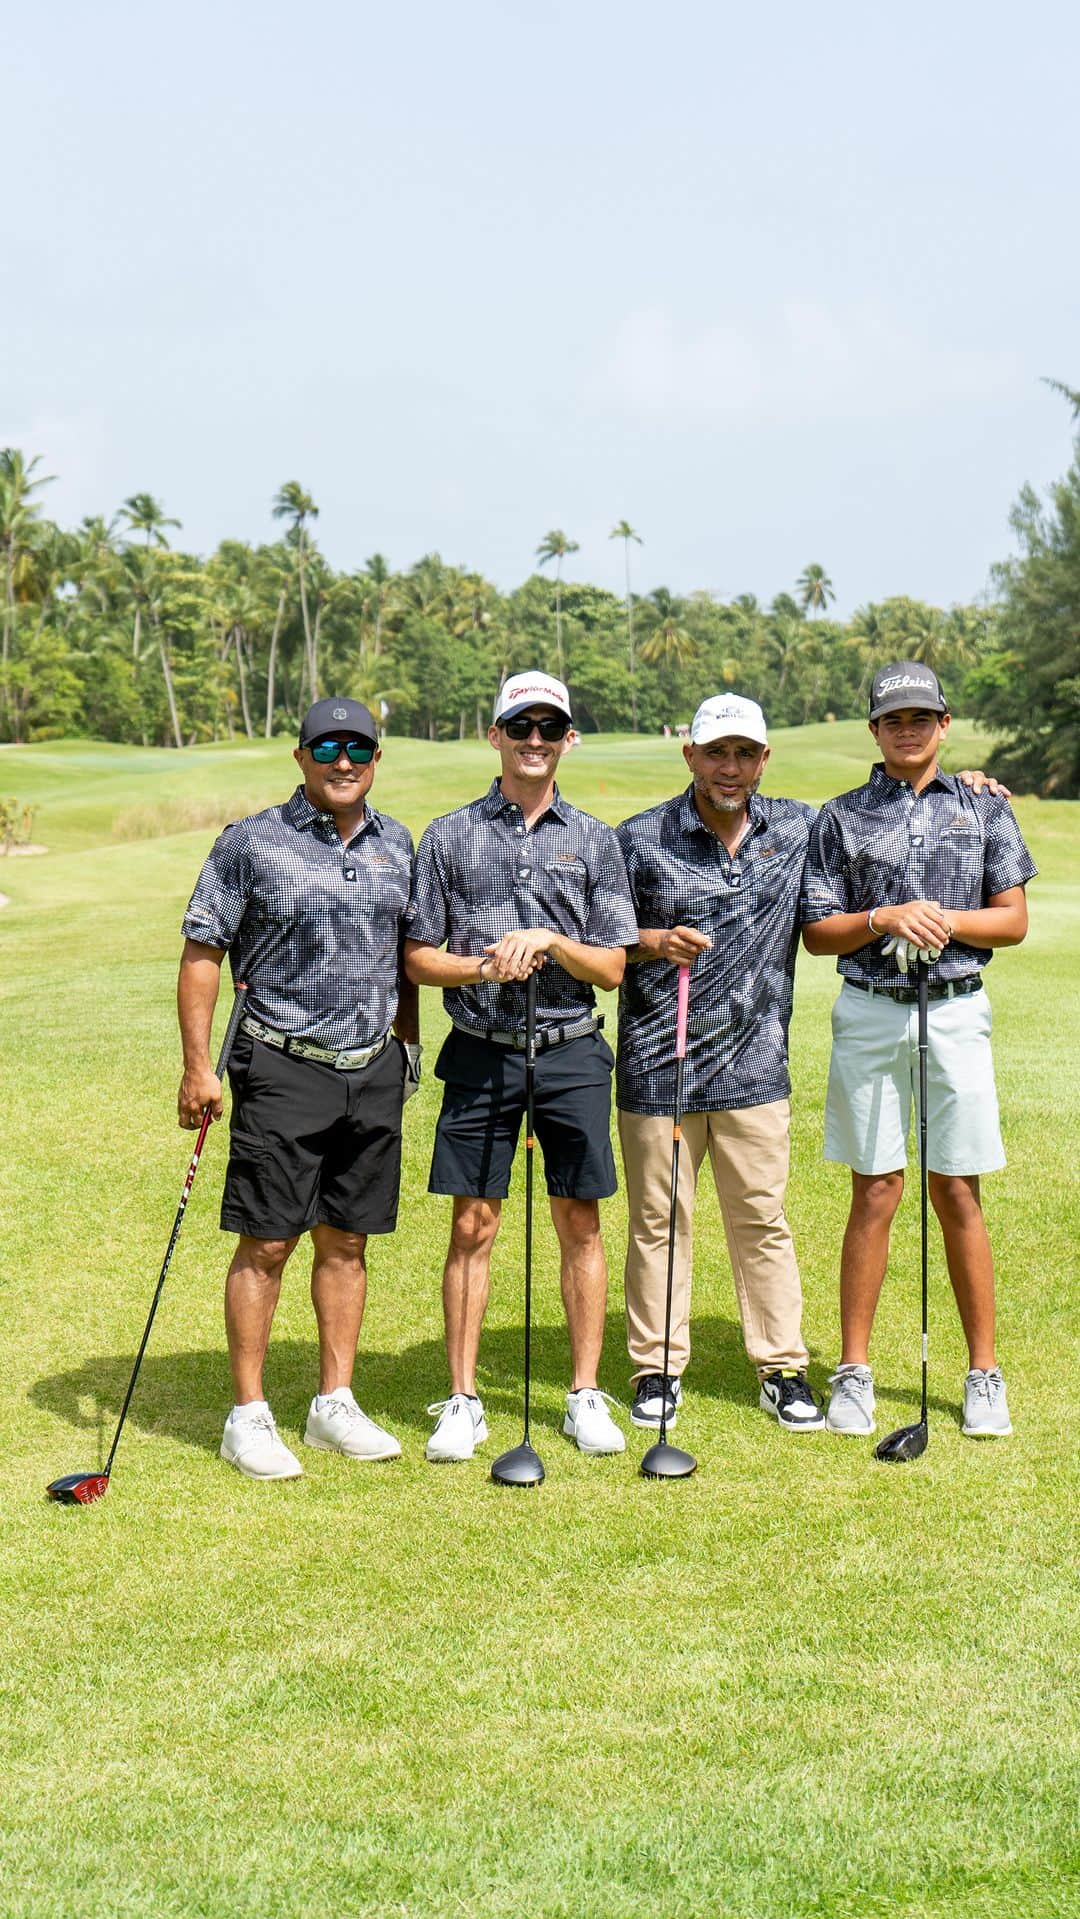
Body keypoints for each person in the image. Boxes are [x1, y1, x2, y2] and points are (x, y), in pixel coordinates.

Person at [177, 697, 420, 1480]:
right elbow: (202, 949)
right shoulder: (252, 842)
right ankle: (247, 1415)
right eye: (328, 746)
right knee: (269, 1239)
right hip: (281, 1060)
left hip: (371, 1066)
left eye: (358, 747)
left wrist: (407, 1044)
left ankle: (332, 1404)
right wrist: (196, 1066)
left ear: (375, 758)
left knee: (347, 1239)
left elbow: (404, 955)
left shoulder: (397, 844)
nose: (343, 760)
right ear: (301, 755)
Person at [404, 670, 639, 1463]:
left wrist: (548, 941)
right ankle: (464, 1399)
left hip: (571, 1046)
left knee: (580, 1218)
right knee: (473, 1222)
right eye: (520, 726)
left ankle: (582, 1393)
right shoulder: (448, 835)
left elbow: (611, 967)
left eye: (550, 728)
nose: (534, 741)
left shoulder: (597, 840)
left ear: (568, 738)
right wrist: (481, 967)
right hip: (481, 1048)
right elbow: (417, 957)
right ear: (494, 734)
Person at [801, 662, 1036, 1438]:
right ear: (874, 730)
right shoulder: (838, 817)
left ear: (944, 724)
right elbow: (818, 929)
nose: (908, 730)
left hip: (957, 1011)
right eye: (893, 720)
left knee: (958, 1189)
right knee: (875, 1188)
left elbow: (1012, 919)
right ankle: (854, 1372)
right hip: (871, 1010)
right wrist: (884, 918)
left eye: (921, 718)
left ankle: (983, 1373)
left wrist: (940, 920)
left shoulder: (983, 806)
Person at [616, 694, 826, 1433]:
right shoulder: (640, 839)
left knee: (762, 1219)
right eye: (716, 753)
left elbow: (877, 816)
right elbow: (600, 940)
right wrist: (652, 940)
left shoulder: (800, 829)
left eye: (744, 753)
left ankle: (782, 1368)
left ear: (763, 759)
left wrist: (975, 787)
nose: (729, 767)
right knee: (658, 1220)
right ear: (691, 757)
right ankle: (657, 1368)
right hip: (657, 1064)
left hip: (756, 1067)